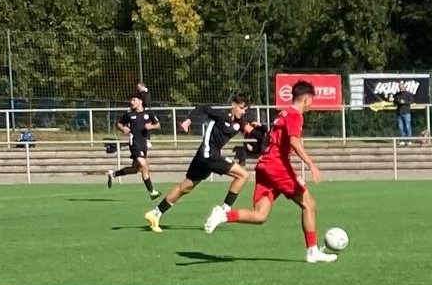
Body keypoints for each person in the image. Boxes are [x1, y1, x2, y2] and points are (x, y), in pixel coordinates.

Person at [203, 80, 337, 263]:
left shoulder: (282, 114)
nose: (311, 105)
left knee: (260, 215)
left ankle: (224, 215)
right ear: (306, 99)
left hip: (265, 165)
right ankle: (312, 251)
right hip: (277, 167)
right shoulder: (295, 116)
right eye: (311, 101)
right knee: (309, 204)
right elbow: (294, 141)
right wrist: (311, 164)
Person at [143, 94, 256, 233]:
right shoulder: (221, 115)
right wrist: (187, 121)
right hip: (209, 156)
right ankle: (224, 210)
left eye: (245, 109)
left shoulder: (240, 122)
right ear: (233, 105)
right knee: (243, 175)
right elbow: (202, 108)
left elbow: (253, 131)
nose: (243, 111)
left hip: (204, 157)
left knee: (185, 187)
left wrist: (258, 129)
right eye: (241, 108)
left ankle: (155, 213)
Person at [106, 95, 161, 200]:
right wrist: (123, 129)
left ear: (140, 101)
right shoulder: (129, 114)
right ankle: (152, 191)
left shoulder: (149, 113)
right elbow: (119, 124)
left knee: (135, 169)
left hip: (143, 144)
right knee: (144, 165)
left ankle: (113, 174)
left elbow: (158, 125)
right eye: (131, 100)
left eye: (134, 100)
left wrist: (151, 126)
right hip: (134, 144)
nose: (132, 102)